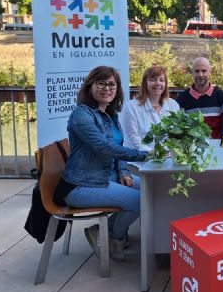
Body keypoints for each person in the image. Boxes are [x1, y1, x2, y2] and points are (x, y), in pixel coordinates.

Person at [56, 66, 149, 262]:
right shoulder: (82, 114)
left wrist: (123, 170)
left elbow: (117, 146)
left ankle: (103, 231)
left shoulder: (110, 114)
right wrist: (144, 156)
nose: (107, 88)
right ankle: (114, 238)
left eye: (112, 84)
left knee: (152, 189)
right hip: (82, 184)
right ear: (90, 86)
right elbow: (103, 147)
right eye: (101, 83)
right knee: (138, 201)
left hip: (108, 176)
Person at [120, 65, 180, 151]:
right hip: (138, 160)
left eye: (161, 80)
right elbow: (133, 139)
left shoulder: (173, 105)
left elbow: (176, 135)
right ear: (145, 83)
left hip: (168, 158)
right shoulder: (131, 106)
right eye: (153, 79)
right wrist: (154, 153)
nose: (158, 83)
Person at [176, 57, 223, 138]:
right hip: (192, 147)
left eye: (204, 71)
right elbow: (181, 129)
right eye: (197, 71)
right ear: (192, 73)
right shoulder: (182, 99)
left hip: (217, 146)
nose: (200, 75)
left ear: (210, 72)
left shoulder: (221, 96)